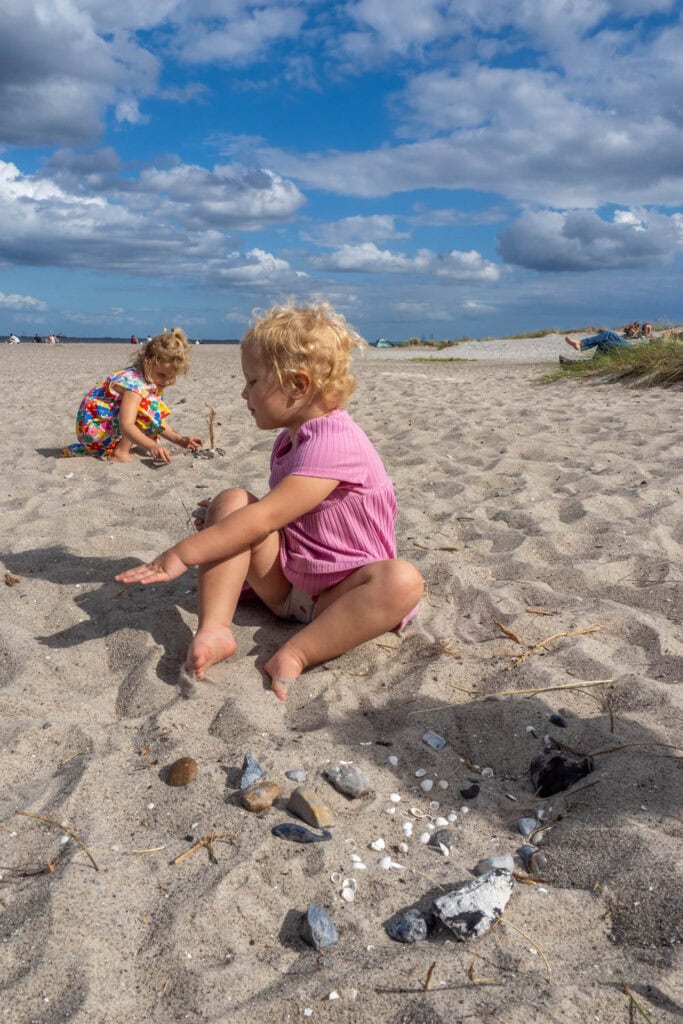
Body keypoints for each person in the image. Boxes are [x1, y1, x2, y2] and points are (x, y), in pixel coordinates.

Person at [116, 302, 423, 700]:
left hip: (342, 596)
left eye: (253, 381)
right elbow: (279, 516)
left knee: (402, 581)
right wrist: (221, 519)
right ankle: (214, 629)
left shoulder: (336, 441)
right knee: (231, 501)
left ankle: (296, 652)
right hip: (288, 583)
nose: (244, 393)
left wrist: (181, 554)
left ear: (298, 385)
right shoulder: (291, 437)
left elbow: (266, 518)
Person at [61, 327, 203, 462]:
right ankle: (120, 453)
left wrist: (180, 440)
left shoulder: (148, 380)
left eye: (171, 377)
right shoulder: (135, 386)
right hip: (94, 430)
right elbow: (126, 425)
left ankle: (119, 449)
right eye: (162, 375)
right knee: (145, 405)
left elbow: (156, 421)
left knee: (149, 407)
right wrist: (152, 446)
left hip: (101, 428)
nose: (166, 381)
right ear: (148, 362)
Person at [560, 330, 630, 363]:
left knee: (605, 343)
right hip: (629, 345)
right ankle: (580, 343)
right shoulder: (637, 333)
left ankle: (575, 363)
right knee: (608, 333)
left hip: (631, 349)